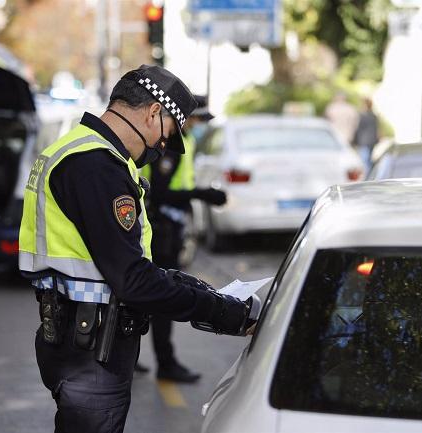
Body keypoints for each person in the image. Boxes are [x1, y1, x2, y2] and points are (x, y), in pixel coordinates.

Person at [18, 65, 255, 433]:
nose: (162, 148)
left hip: (76, 339)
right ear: (153, 112)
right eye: (167, 135)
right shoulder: (96, 166)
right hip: (92, 350)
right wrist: (226, 313)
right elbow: (133, 281)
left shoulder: (78, 151)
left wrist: (187, 285)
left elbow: (117, 263)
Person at [136, 95, 225, 382]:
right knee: (161, 296)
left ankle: (131, 355)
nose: (199, 125)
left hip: (168, 226)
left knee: (147, 296)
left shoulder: (181, 143)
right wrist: (202, 194)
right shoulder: (171, 148)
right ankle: (165, 362)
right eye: (198, 119)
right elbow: (160, 193)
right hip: (160, 228)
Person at [354, 97, 380, 172]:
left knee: (364, 161)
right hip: (372, 141)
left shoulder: (363, 116)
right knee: (368, 160)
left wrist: (355, 140)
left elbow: (359, 128)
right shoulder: (374, 116)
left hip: (364, 141)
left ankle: (367, 177)